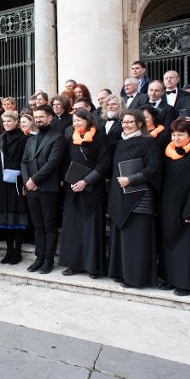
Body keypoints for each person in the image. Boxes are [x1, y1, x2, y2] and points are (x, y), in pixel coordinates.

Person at [107, 109, 161, 288]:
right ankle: (121, 273)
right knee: (122, 238)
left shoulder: (148, 142)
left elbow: (153, 168)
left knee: (137, 241)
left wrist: (131, 179)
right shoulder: (119, 143)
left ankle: (136, 278)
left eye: (131, 122)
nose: (126, 125)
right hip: (119, 196)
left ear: (140, 123)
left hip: (140, 197)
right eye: (124, 122)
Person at [158, 118, 190, 296]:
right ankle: (169, 278)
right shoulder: (169, 152)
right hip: (168, 204)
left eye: (181, 134)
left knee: (185, 247)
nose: (176, 138)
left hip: (188, 208)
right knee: (169, 243)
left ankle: (185, 283)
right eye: (174, 134)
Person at [59, 109, 111, 279]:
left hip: (93, 189)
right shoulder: (69, 136)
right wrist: (71, 180)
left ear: (88, 120)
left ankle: (93, 267)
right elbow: (65, 161)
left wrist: (86, 181)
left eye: (79, 120)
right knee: (73, 228)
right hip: (73, 188)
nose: (76, 124)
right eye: (74, 121)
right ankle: (73, 264)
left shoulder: (100, 137)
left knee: (91, 229)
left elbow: (104, 164)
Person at [21, 104, 65, 274]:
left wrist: (34, 180)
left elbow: (53, 163)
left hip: (48, 188)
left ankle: (48, 260)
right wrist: (27, 182)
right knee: (37, 225)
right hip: (32, 189)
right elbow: (24, 161)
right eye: (36, 117)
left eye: (41, 117)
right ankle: (39, 258)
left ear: (50, 118)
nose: (38, 119)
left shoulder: (57, 137)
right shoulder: (31, 139)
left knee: (49, 225)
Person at [0, 111, 29, 265]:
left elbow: (25, 161)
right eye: (4, 121)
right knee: (6, 218)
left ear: (16, 121)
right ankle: (9, 250)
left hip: (18, 182)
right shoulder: (2, 138)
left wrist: (25, 182)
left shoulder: (24, 138)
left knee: (16, 217)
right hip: (3, 182)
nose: (6, 124)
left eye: (9, 121)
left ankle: (17, 251)